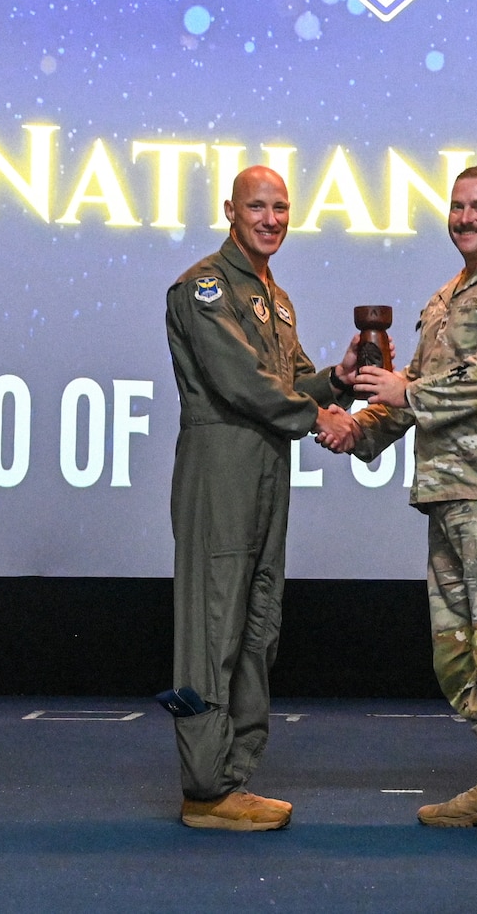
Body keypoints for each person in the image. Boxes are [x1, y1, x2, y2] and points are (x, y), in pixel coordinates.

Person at [334, 165, 477, 841]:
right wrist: (357, 427)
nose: (466, 217)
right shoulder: (446, 296)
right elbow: (419, 391)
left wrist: (404, 393)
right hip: (451, 494)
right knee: (462, 649)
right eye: (458, 206)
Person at [163, 166, 360, 832]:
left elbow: (292, 376)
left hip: (267, 467)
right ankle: (204, 784)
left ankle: (233, 775)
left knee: (257, 620)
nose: (271, 218)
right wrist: (318, 418)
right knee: (214, 623)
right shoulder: (204, 288)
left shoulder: (275, 297)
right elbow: (243, 382)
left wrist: (341, 377)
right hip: (222, 468)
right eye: (258, 206)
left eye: (280, 207)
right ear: (230, 210)